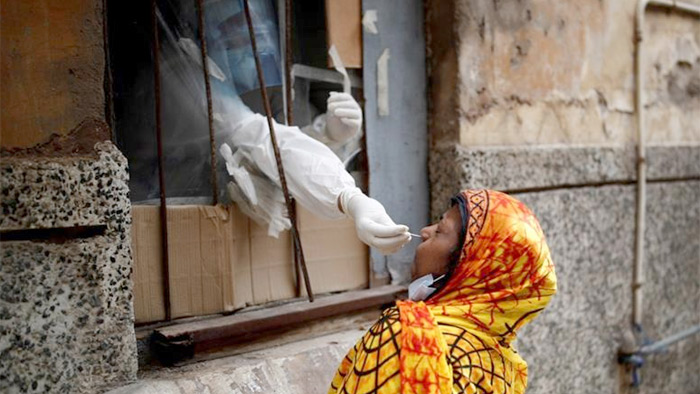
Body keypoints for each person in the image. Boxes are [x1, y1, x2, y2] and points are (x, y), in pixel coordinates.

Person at [328, 189, 557, 394]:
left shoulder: (408, 336)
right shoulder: (504, 365)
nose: (425, 231)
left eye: (440, 231)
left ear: (469, 267)